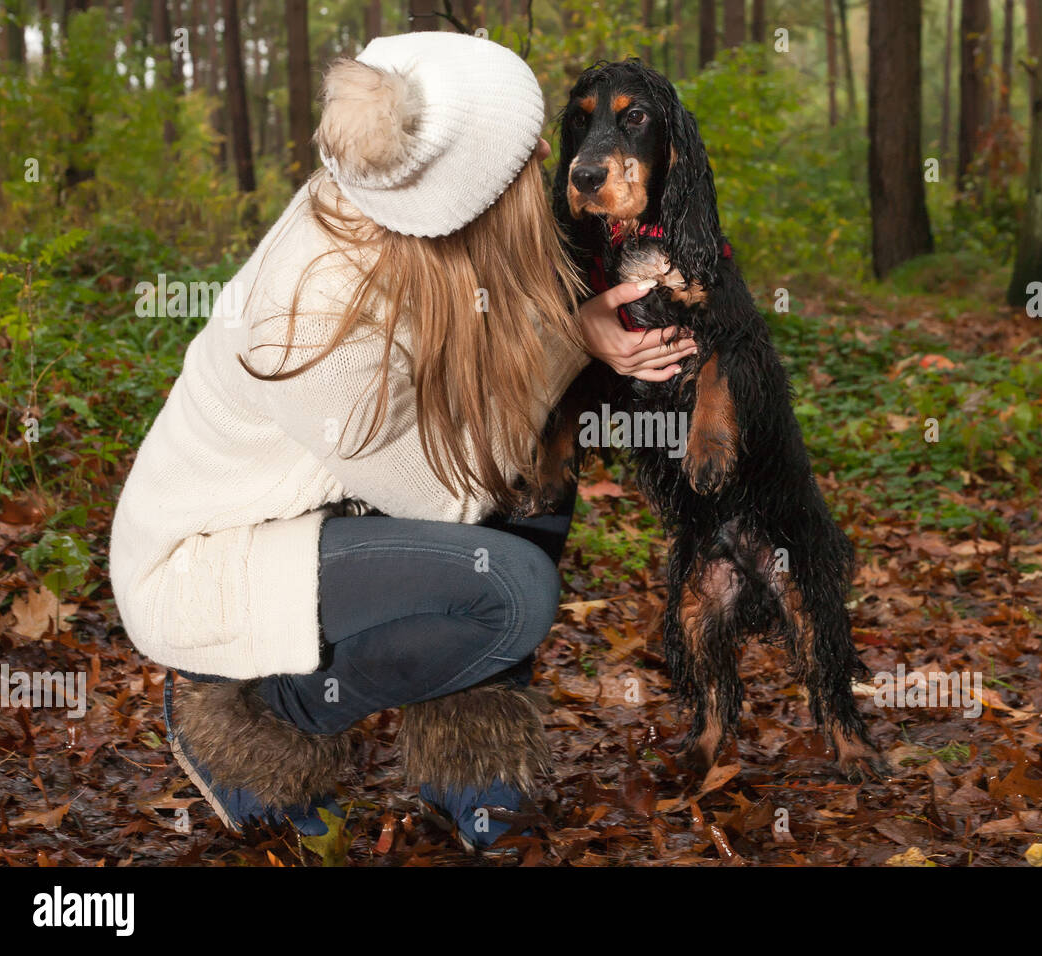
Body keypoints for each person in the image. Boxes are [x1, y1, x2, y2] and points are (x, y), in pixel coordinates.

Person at [107, 31, 697, 853]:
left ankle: (470, 763)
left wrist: (582, 330)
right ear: (477, 191)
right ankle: (257, 715)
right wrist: (573, 343)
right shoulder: (311, 316)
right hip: (209, 556)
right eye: (525, 159)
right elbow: (451, 498)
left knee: (538, 466)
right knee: (511, 590)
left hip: (327, 508)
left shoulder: (397, 204)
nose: (544, 167)